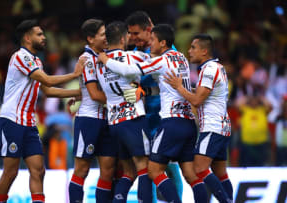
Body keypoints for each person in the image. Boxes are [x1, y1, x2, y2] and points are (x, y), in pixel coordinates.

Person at [99, 24, 207, 203]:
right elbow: (166, 88)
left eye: (153, 40)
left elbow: (128, 70)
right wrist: (146, 92)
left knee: (153, 170)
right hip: (188, 122)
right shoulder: (181, 58)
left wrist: (104, 58)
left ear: (162, 43)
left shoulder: (160, 60)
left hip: (170, 122)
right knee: (191, 174)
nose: (150, 44)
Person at [0, 19, 84, 203]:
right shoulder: (20, 56)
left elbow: (47, 91)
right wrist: (75, 75)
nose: (44, 38)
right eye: (39, 34)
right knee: (10, 173)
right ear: (27, 38)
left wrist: (80, 93)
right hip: (12, 121)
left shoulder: (35, 61)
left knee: (39, 170)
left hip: (28, 123)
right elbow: (48, 81)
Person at [164, 34, 233, 202]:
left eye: (193, 47)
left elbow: (197, 100)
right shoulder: (217, 67)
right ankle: (230, 199)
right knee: (220, 172)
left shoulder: (209, 70)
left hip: (212, 126)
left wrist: (179, 87)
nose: (189, 51)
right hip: (222, 126)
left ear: (204, 51)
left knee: (199, 169)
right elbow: (206, 95)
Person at [125, 10, 184, 202]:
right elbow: (132, 86)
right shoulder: (133, 54)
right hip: (144, 118)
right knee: (148, 166)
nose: (132, 38)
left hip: (164, 116)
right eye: (130, 34)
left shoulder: (163, 49)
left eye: (136, 34)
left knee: (168, 164)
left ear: (149, 31)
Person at [96, 21, 152, 203]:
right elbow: (157, 62)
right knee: (144, 167)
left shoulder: (98, 64)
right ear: (122, 38)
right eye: (128, 35)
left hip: (114, 122)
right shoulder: (133, 57)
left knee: (129, 171)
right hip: (133, 118)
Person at [68, 19, 117, 203]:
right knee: (82, 170)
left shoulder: (106, 56)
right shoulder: (86, 59)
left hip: (107, 119)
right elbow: (95, 95)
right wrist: (120, 101)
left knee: (108, 169)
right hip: (88, 120)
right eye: (103, 34)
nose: (107, 38)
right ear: (90, 38)